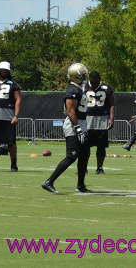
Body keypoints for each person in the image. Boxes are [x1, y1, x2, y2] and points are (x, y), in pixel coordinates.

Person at [41, 63, 92, 194]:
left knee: (84, 154)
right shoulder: (73, 90)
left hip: (82, 123)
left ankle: (80, 185)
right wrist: (78, 129)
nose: (85, 77)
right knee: (71, 156)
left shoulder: (79, 88)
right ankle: (49, 182)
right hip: (74, 125)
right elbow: (70, 111)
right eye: (83, 75)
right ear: (77, 77)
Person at [78, 70, 114, 174]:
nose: (94, 84)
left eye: (96, 82)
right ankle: (83, 168)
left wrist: (111, 119)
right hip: (87, 119)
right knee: (85, 145)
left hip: (102, 120)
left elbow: (112, 104)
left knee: (101, 146)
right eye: (92, 82)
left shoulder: (106, 88)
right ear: (89, 80)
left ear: (99, 80)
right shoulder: (84, 87)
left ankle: (99, 167)